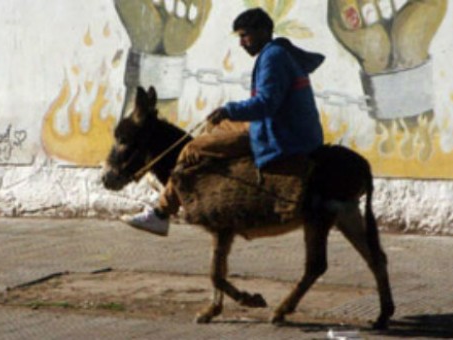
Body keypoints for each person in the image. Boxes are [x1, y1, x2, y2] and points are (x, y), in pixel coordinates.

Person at [122, 7, 325, 236]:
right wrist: (227, 114)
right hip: (287, 126)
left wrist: (228, 109)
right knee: (215, 128)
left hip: (281, 134)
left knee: (192, 149)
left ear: (264, 31)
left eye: (244, 35)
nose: (241, 43)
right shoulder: (277, 52)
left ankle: (161, 213)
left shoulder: (273, 58)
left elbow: (266, 104)